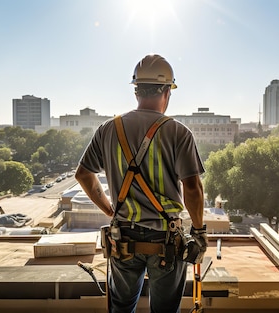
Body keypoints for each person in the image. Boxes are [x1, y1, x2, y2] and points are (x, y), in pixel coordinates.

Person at [75, 54, 207, 313]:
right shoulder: (178, 132)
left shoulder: (107, 129)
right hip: (166, 240)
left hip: (123, 237)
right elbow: (192, 189)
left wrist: (109, 210)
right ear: (167, 91)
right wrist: (199, 233)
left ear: (136, 91)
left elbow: (83, 175)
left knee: (122, 308)